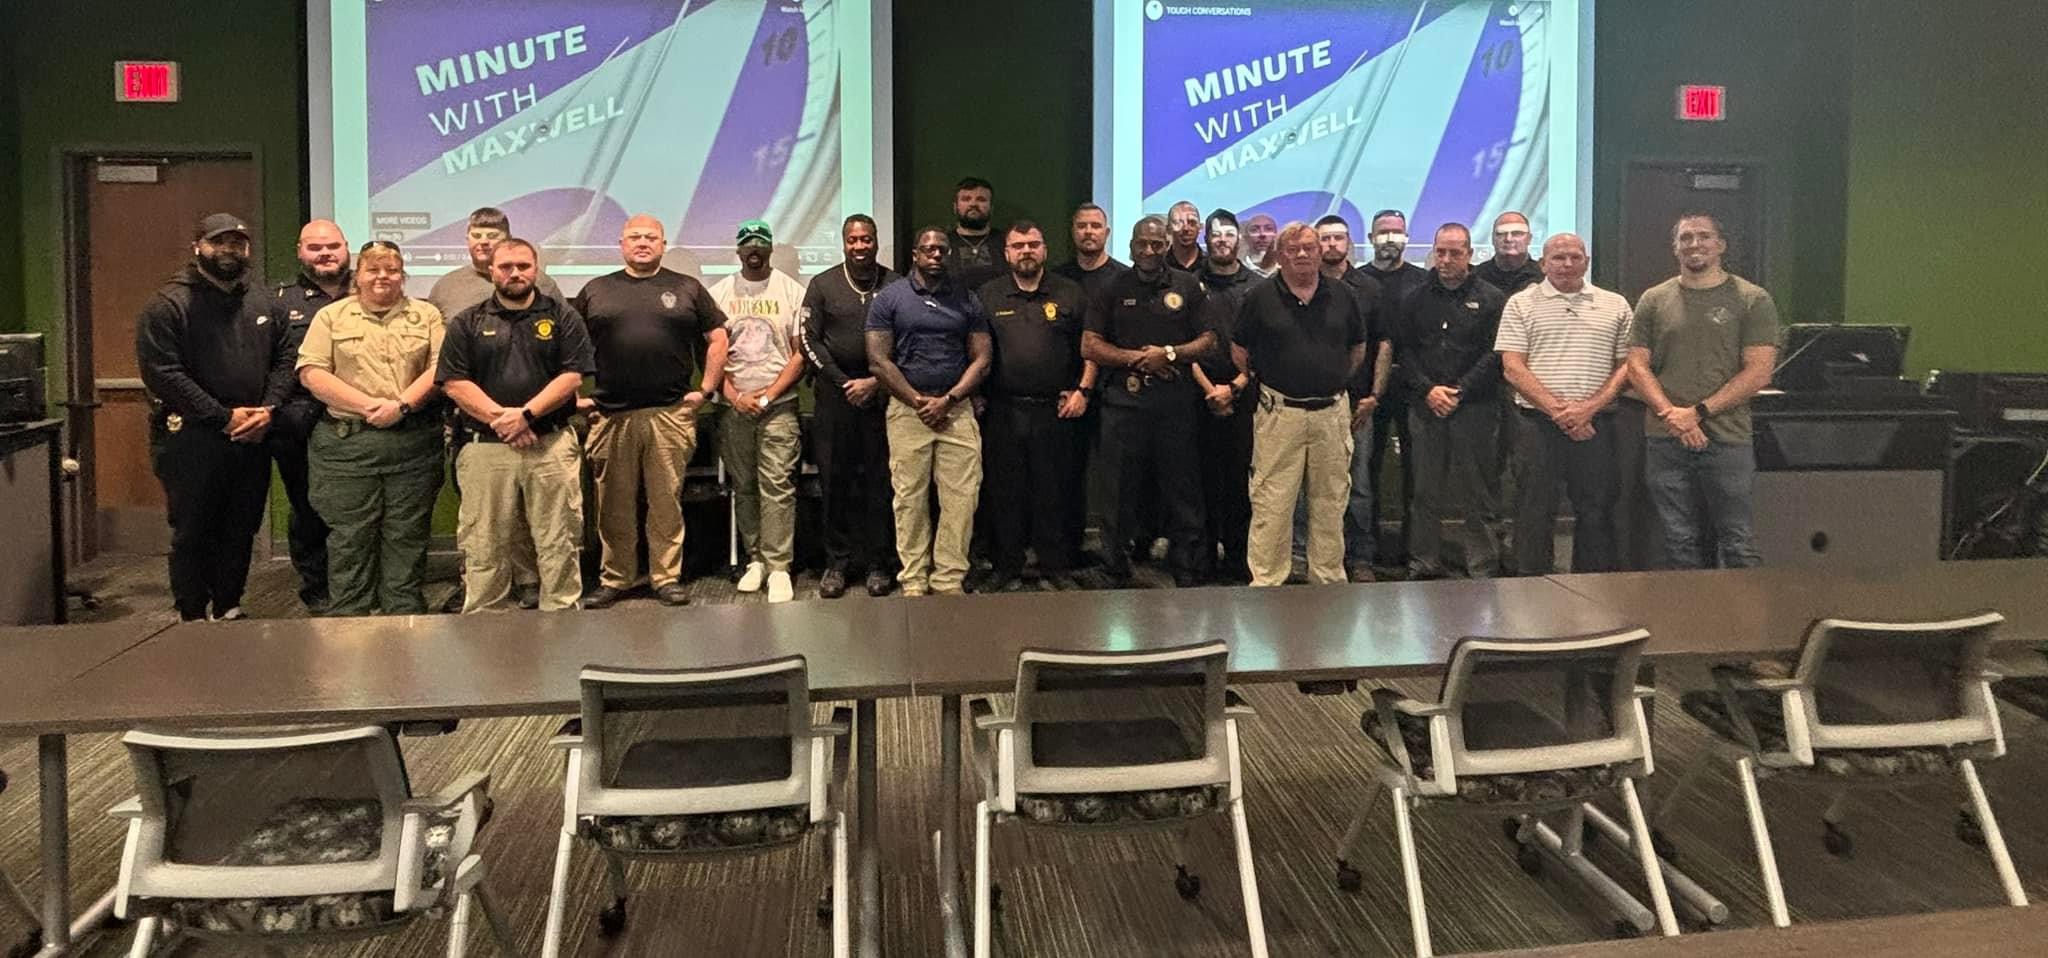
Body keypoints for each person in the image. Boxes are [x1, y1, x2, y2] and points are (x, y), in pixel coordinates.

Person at [137, 213, 294, 621]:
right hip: (192, 437)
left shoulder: (263, 302)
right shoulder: (168, 304)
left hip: (252, 434)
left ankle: (229, 605)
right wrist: (222, 417)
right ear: (198, 248)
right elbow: (163, 374)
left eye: (237, 244)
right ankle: (190, 613)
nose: (228, 251)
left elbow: (286, 360)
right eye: (218, 242)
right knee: (193, 532)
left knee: (240, 529)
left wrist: (268, 410)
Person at [573, 215, 729, 609]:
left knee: (665, 502)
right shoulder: (596, 289)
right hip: (611, 416)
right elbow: (568, 347)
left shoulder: (687, 287)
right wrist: (573, 399)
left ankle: (665, 577)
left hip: (669, 414)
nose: (642, 243)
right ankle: (616, 577)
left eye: (650, 237)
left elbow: (718, 337)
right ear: (621, 243)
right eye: (634, 237)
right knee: (613, 504)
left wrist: (706, 389)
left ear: (663, 244)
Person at [436, 238, 594, 612]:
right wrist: (502, 420)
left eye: (523, 266)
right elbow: (454, 383)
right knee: (484, 544)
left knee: (559, 541)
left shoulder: (562, 316)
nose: (515, 273)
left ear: (535, 268)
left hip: (550, 445)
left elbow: (572, 377)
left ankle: (561, 624)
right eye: (506, 267)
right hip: (485, 449)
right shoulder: (467, 321)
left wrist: (525, 416)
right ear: (491, 271)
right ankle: (485, 628)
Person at [294, 241, 446, 615]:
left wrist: (402, 405)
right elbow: (311, 373)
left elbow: (440, 369)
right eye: (373, 270)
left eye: (392, 270)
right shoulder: (331, 317)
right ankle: (350, 625)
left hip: (411, 445)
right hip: (347, 449)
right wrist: (367, 407)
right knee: (350, 540)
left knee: (407, 539)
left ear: (403, 276)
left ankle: (405, 621)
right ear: (358, 275)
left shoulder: (426, 315)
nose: (383, 277)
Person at [1626, 212, 1779, 569]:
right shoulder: (1653, 299)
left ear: (1720, 245)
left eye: (1703, 236)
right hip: (1666, 438)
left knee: (1737, 539)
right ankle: (1691, 621)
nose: (1694, 244)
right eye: (1686, 238)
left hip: (1727, 438)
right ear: (1675, 248)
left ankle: (1747, 624)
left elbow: (1758, 372)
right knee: (1678, 540)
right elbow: (1636, 365)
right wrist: (1672, 415)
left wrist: (1697, 413)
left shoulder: (1752, 299)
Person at [424, 206, 559, 611]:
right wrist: (496, 418)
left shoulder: (545, 284)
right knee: (481, 514)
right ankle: (478, 585)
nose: (483, 242)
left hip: (535, 419)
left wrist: (528, 416)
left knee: (526, 510)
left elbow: (559, 354)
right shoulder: (446, 288)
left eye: (492, 235)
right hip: (472, 420)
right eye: (476, 235)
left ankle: (528, 578)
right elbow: (441, 358)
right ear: (467, 240)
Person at [1082, 215, 1217, 587]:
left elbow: (1209, 341)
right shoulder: (1111, 286)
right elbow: (1089, 345)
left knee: (1182, 489)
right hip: (1123, 406)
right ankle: (1114, 565)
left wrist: (1170, 354)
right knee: (1117, 491)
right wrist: (1137, 359)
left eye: (1157, 244)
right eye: (1142, 243)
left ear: (1167, 246)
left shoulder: (1188, 286)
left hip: (1175, 407)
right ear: (1130, 246)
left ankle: (1187, 565)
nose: (1149, 251)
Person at [1234, 222, 1370, 586]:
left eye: (1309, 247)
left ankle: (1327, 582)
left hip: (1331, 413)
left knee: (1331, 502)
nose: (1302, 254)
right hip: (1280, 413)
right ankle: (1266, 583)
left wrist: (1330, 378)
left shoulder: (1342, 295)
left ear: (1319, 251)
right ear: (1279, 255)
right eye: (1293, 249)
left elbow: (1357, 350)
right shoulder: (1259, 297)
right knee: (1272, 504)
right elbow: (1239, 352)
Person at [1495, 233, 1633, 575]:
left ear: (1586, 261)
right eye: (1558, 257)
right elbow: (1513, 368)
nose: (1567, 264)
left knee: (1596, 510)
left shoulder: (1615, 305)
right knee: (1533, 510)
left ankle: (1592, 588)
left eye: (1575, 256)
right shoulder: (1520, 304)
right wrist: (1561, 412)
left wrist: (1588, 409)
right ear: (1543, 264)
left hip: (1596, 424)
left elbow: (1627, 367)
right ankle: (1531, 590)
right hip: (1536, 424)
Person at [866, 227, 993, 596]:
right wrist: (917, 400)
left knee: (962, 498)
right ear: (915, 255)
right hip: (908, 413)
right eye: (928, 250)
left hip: (957, 410)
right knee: (909, 499)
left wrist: (950, 400)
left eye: (942, 250)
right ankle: (914, 580)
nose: (936, 255)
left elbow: (982, 358)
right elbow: (878, 360)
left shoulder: (966, 299)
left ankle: (949, 579)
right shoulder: (889, 299)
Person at [977, 221, 1093, 593]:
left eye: (1033, 244)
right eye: (1018, 246)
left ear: (1044, 249)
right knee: (1004, 491)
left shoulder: (1070, 293)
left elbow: (1089, 348)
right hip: (1002, 409)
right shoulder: (988, 295)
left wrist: (1081, 390)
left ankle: (1055, 566)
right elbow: (975, 350)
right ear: (1007, 253)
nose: (1026, 251)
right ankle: (1006, 566)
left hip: (1056, 409)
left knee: (1054, 491)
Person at [1393, 223, 1507, 579]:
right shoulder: (1413, 297)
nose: (1445, 259)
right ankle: (1424, 562)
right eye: (1440, 251)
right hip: (1426, 406)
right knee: (1425, 491)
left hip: (1475, 407)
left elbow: (1495, 353)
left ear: (1470, 255)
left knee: (1479, 493)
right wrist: (1429, 390)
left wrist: (1460, 391)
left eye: (1455, 252)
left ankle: (1483, 566)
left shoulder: (1491, 298)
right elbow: (1405, 351)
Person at [706, 219, 807, 603]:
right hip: (734, 406)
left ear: (770, 249)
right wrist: (732, 395)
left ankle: (780, 566)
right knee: (744, 486)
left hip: (778, 405)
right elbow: (712, 354)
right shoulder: (719, 293)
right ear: (737, 250)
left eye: (760, 244)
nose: (754, 250)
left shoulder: (791, 291)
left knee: (778, 485)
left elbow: (800, 353)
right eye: (747, 244)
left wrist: (768, 395)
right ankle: (756, 560)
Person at [801, 214, 900, 598]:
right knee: (835, 483)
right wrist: (845, 383)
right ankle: (837, 564)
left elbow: (907, 340)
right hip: (835, 398)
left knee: (881, 484)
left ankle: (879, 564)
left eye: (867, 239)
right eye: (853, 240)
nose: (860, 246)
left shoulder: (895, 284)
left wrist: (876, 381)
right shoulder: (822, 284)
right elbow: (808, 341)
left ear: (877, 242)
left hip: (882, 398)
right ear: (844, 243)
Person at [267, 219, 350, 611]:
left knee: (356, 508)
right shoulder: (280, 301)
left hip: (358, 420)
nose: (326, 253)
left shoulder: (369, 290)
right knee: (308, 507)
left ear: (346, 248)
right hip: (300, 422)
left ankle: (356, 585)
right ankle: (317, 588)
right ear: (300, 251)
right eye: (315, 247)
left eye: (333, 245)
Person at [1310, 214, 1391, 581]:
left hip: (1358, 402)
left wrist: (1375, 394)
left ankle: (1360, 558)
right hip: (1311, 401)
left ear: (1350, 242)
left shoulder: (1370, 288)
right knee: (1307, 487)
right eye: (1323, 239)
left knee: (1357, 486)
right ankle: (1307, 556)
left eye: (1337, 238)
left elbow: (1383, 343)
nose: (1331, 245)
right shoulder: (1302, 285)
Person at [1050, 203, 1129, 568]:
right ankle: (1066, 552)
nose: (1088, 232)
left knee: (1115, 479)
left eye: (1096, 226)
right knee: (1066, 473)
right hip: (1069, 393)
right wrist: (1074, 388)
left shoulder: (1123, 279)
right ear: (1073, 231)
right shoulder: (1058, 279)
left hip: (1114, 393)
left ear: (1107, 233)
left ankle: (1116, 554)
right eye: (1082, 226)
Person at [1357, 209, 1431, 566]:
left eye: (1396, 232)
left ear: (1407, 237)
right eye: (1382, 232)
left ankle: (1411, 549)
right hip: (1368, 388)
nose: (1390, 238)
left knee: (1416, 472)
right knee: (1363, 471)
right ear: (1370, 239)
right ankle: (1366, 550)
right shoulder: (1356, 281)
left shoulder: (1424, 281)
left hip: (1415, 387)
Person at [1474, 211, 1545, 570]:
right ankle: (1490, 549)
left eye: (1517, 233)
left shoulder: (1545, 280)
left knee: (1527, 473)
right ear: (1493, 238)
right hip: (1484, 390)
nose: (1509, 239)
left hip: (1530, 391)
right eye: (1502, 233)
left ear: (1529, 238)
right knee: (1487, 472)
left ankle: (1523, 550)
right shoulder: (1477, 278)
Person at [1190, 210, 1258, 583]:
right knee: (1199, 483)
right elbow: (1184, 343)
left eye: (1228, 234)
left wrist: (1234, 386)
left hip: (1244, 397)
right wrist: (1210, 390)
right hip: (1197, 394)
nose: (1221, 240)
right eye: (1214, 234)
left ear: (1239, 239)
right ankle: (1202, 561)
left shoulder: (1259, 286)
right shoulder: (1187, 284)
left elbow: (1262, 346)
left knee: (1239, 484)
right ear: (1206, 239)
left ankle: (1236, 560)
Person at [944, 177, 1006, 292]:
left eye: (981, 199)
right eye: (966, 199)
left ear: (991, 208)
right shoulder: (942, 243)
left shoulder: (1006, 242)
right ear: (955, 207)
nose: (973, 204)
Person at [1166, 200, 1204, 272]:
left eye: (1192, 223)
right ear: (1168, 229)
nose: (1186, 228)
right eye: (1178, 223)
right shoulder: (1159, 266)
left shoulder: (1212, 266)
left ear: (1200, 227)